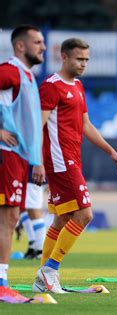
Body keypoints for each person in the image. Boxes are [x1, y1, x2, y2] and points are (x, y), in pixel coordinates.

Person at [32, 38, 117, 294]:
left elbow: (86, 125)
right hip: (60, 161)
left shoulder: (77, 86)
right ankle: (50, 270)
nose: (84, 64)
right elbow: (37, 126)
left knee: (62, 217)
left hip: (71, 158)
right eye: (79, 59)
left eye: (86, 59)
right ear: (64, 57)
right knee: (84, 214)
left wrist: (111, 151)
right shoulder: (51, 87)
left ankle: (43, 278)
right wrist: (37, 161)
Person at [0, 25, 46, 299]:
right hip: (6, 155)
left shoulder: (27, 76)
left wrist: (36, 161)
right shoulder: (9, 71)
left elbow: (28, 126)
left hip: (18, 159)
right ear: (20, 46)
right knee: (7, 219)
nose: (43, 46)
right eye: (38, 42)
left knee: (11, 217)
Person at [19, 169, 47, 259]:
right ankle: (33, 245)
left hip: (32, 177)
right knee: (23, 209)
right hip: (23, 176)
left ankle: (41, 250)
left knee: (34, 211)